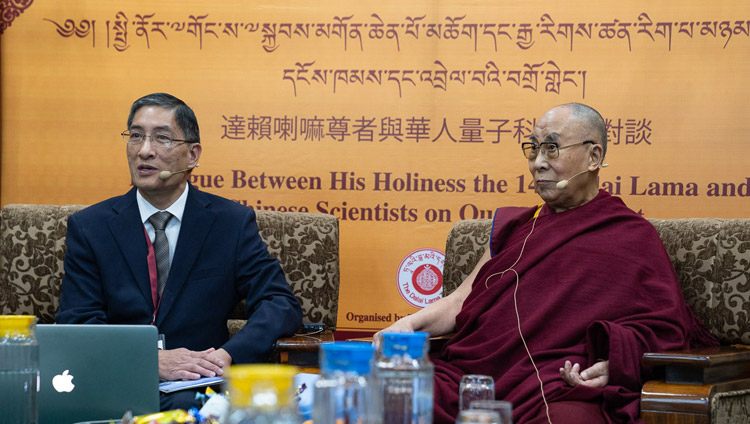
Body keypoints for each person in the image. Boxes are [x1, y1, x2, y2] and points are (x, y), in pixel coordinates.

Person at [377, 103, 717, 423]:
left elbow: (665, 330)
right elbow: (460, 302)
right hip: (470, 375)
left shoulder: (631, 236)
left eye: (552, 148)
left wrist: (614, 365)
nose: (537, 162)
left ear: (593, 156)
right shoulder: (513, 228)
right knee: (383, 388)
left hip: (558, 384)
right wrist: (407, 326)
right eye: (533, 148)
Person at [57, 93, 303, 410]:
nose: (144, 150)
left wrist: (225, 357)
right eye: (135, 136)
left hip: (197, 392)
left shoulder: (230, 224)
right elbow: (77, 323)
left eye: (162, 138)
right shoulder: (90, 228)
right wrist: (151, 360)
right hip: (116, 384)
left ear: (192, 154)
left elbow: (279, 303)